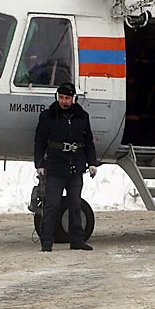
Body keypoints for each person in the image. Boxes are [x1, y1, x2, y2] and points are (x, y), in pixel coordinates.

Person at [33, 82, 99, 252]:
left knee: (75, 205)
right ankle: (46, 242)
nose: (64, 101)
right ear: (57, 97)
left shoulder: (82, 116)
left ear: (73, 99)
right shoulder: (48, 116)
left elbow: (88, 142)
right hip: (55, 166)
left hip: (75, 166)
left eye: (67, 98)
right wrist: (39, 164)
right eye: (61, 98)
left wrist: (92, 162)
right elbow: (39, 141)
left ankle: (77, 240)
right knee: (51, 205)